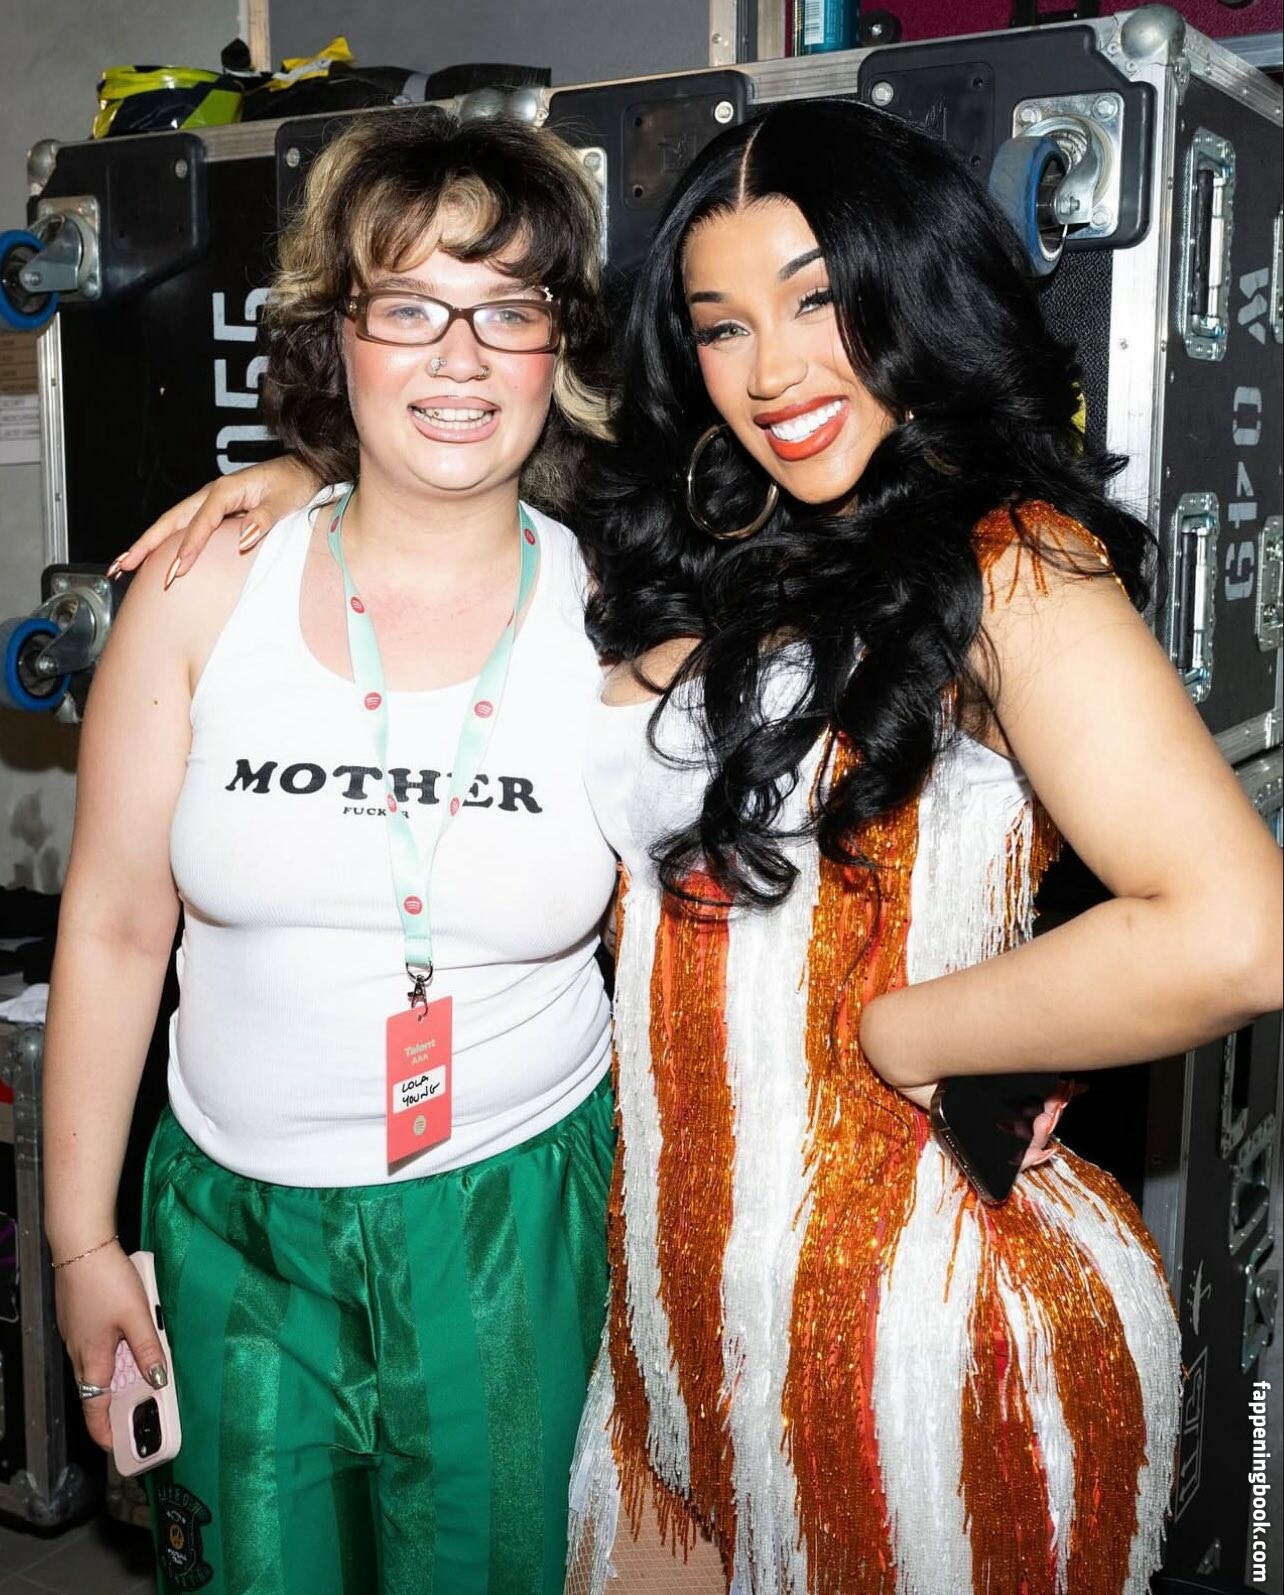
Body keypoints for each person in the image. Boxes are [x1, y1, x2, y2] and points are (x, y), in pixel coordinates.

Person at [116, 102, 1283, 1595]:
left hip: (915, 1324)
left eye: (818, 300)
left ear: (916, 288)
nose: (773, 371)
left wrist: (916, 1032)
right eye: (723, 325)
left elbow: (1235, 928)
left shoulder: (1010, 567)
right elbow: (452, 500)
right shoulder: (711, 536)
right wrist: (303, 487)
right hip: (666, 1308)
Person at [44, 108, 620, 1595]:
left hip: (511, 1221)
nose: (459, 358)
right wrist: (80, 1243)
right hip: (233, 1235)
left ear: (559, 347)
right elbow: (114, 923)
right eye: (410, 307)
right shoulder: (206, 583)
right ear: (336, 336)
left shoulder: (627, 625)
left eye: (509, 310)